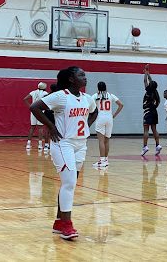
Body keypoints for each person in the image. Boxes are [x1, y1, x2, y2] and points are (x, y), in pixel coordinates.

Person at [30, 66, 97, 240]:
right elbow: (35, 107)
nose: (85, 77)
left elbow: (94, 112)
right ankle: (67, 225)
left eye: (85, 74)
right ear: (71, 79)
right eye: (81, 74)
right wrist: (51, 127)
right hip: (63, 144)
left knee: (69, 183)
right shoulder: (61, 96)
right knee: (69, 183)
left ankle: (59, 222)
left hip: (81, 144)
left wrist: (86, 124)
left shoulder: (87, 98)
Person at [91, 81, 124, 168]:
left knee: (101, 141)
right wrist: (114, 115)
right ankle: (105, 160)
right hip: (109, 119)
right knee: (107, 140)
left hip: (100, 118)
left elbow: (88, 105)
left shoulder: (95, 96)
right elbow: (121, 105)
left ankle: (102, 161)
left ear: (98, 88)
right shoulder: (110, 95)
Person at [142, 64, 162, 156]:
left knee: (146, 129)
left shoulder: (148, 91)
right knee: (154, 129)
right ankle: (158, 145)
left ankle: (145, 147)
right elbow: (158, 103)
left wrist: (146, 73)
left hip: (148, 112)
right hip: (154, 112)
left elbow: (145, 81)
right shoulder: (156, 92)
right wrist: (148, 72)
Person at [23, 82, 48, 150]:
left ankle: (28, 144)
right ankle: (40, 146)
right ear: (44, 87)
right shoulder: (45, 93)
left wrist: (30, 106)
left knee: (32, 127)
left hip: (33, 111)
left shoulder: (33, 92)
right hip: (41, 111)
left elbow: (25, 99)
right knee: (40, 128)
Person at [43, 83, 58, 152]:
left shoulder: (46, 95)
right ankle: (54, 144)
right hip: (54, 113)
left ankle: (46, 145)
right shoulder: (59, 96)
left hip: (47, 113)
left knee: (47, 129)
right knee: (55, 129)